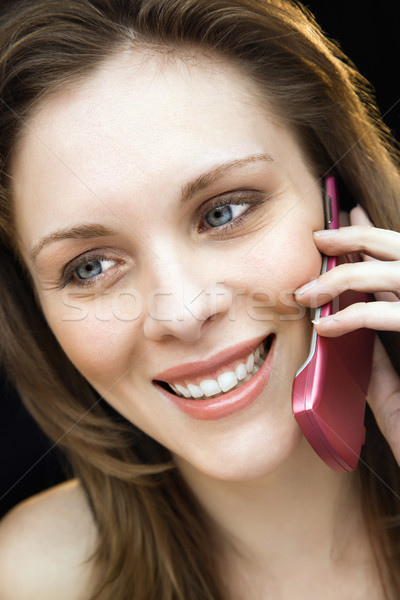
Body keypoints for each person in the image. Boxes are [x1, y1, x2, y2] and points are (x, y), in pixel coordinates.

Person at [0, 0, 399, 598]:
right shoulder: (35, 576)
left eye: (224, 211)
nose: (182, 312)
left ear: (339, 203)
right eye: (91, 267)